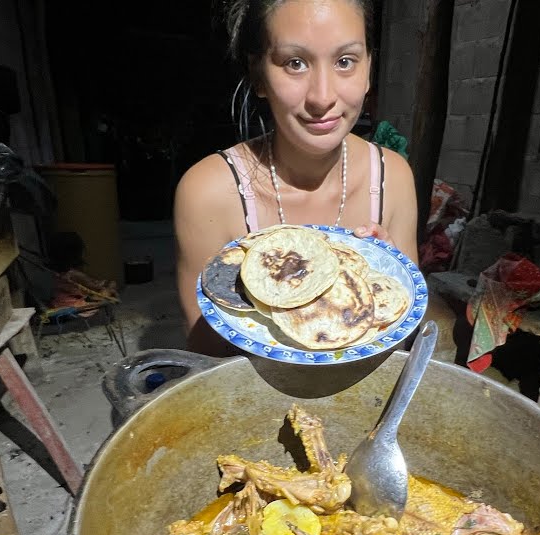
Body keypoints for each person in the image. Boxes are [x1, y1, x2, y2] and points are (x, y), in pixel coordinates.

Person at [174, 0, 419, 354]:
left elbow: (404, 340)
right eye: (295, 63)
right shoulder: (208, 193)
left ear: (369, 69)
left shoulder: (393, 178)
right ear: (258, 75)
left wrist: (394, 286)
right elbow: (207, 357)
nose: (322, 97)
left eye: (345, 61)